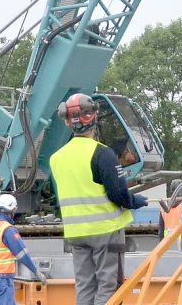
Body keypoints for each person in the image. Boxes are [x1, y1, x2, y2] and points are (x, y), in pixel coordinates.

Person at [49, 93, 148, 305]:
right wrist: (134, 201)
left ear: (68, 122)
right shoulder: (103, 154)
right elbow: (118, 194)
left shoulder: (56, 158)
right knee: (109, 286)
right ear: (93, 117)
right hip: (106, 230)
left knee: (85, 286)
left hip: (76, 233)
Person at [0, 194, 46, 305]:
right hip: (2, 278)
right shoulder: (8, 230)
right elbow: (22, 254)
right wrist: (36, 271)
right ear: (12, 211)